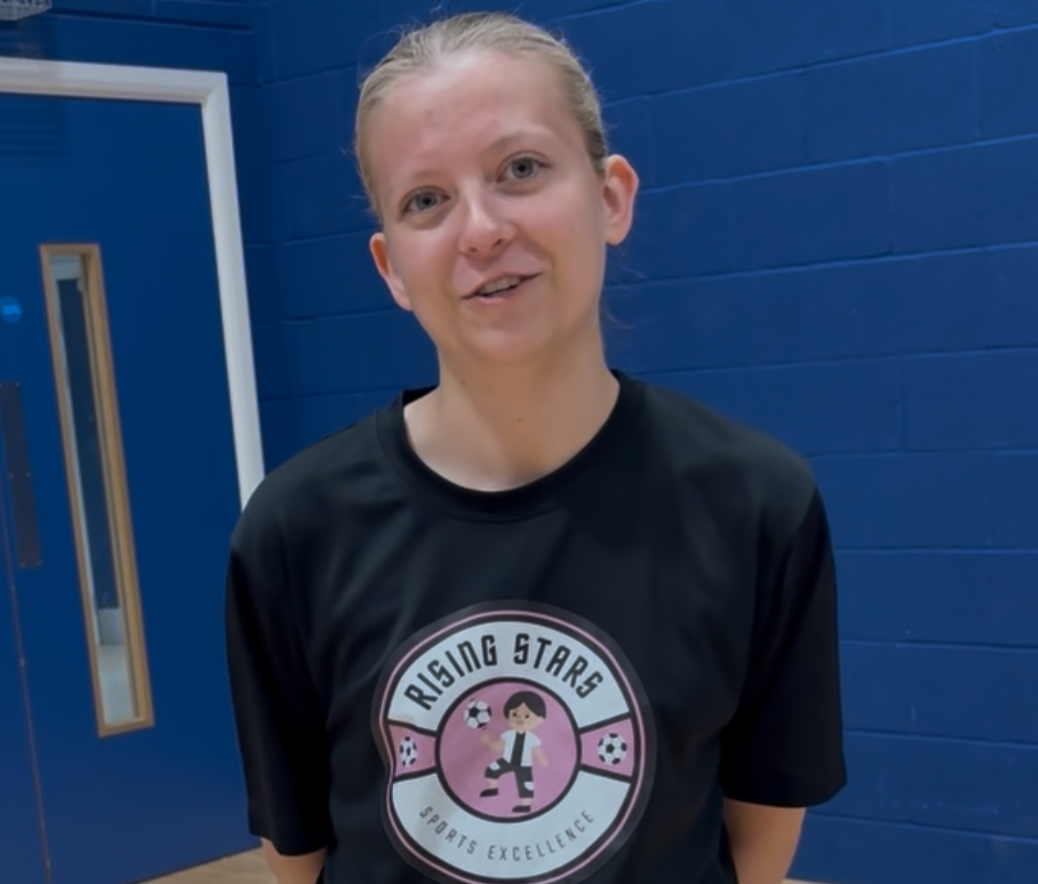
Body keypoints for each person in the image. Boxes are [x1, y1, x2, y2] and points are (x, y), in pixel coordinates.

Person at [224, 10, 846, 884]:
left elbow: (758, 836)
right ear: (390, 266)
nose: (480, 230)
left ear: (609, 196)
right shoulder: (294, 530)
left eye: (519, 169)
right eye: (425, 200)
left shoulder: (755, 504)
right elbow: (299, 853)